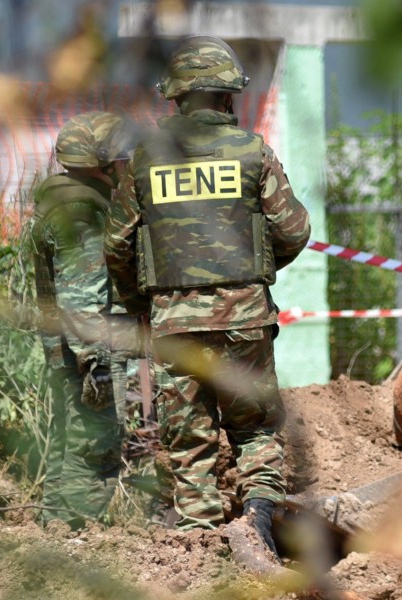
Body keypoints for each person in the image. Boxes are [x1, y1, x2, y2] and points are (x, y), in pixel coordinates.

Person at [103, 35, 310, 557]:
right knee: (256, 425)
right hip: (245, 319)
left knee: (188, 436)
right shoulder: (252, 151)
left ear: (174, 98)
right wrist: (254, 277)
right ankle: (260, 511)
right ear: (228, 97)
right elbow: (294, 230)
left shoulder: (146, 158)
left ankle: (198, 544)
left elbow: (117, 245)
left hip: (173, 322)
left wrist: (140, 306)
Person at [29, 111, 139, 528]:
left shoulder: (59, 203)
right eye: (123, 158)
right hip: (88, 353)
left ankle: (54, 528)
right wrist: (95, 363)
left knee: (67, 444)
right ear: (104, 161)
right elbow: (81, 295)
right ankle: (73, 534)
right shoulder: (83, 213)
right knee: (95, 445)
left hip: (65, 350)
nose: (129, 165)